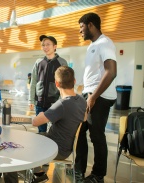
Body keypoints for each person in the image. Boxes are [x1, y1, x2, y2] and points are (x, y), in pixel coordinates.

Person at [74, 12, 117, 183]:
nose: (80, 31)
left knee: (96, 135)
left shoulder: (105, 43)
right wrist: (86, 94)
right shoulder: (93, 45)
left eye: (81, 27)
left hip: (100, 96)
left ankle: (98, 175)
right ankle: (79, 169)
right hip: (90, 94)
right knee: (81, 132)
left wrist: (93, 97)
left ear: (91, 25)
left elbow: (111, 72)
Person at [31, 66, 87, 182]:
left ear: (56, 84)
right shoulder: (82, 100)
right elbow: (85, 118)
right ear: (74, 81)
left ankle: (38, 174)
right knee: (39, 136)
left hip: (56, 149)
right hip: (68, 147)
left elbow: (35, 122)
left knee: (28, 141)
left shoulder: (62, 104)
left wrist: (40, 113)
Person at [29, 35, 68, 133]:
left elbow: (65, 84)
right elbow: (33, 82)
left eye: (48, 44)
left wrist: (62, 101)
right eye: (43, 45)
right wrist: (31, 100)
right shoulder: (38, 62)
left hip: (54, 103)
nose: (45, 47)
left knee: (54, 131)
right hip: (40, 103)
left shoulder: (62, 62)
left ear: (55, 46)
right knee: (41, 131)